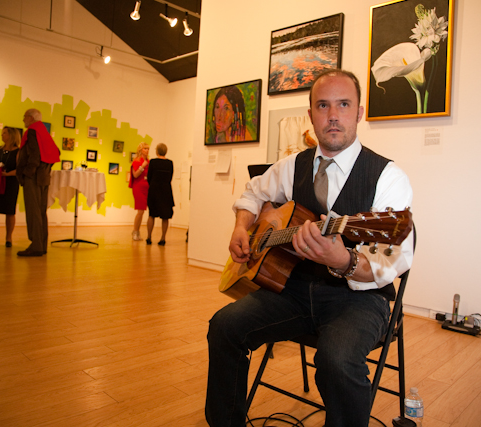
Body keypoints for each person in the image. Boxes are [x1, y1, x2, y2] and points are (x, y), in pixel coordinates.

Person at [205, 69, 414, 427]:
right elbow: (253, 193)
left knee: (337, 358)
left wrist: (343, 259)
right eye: (323, 105)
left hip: (360, 300)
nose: (333, 115)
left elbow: (390, 261)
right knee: (224, 326)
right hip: (293, 291)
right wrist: (242, 226)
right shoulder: (293, 165)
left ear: (359, 112)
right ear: (311, 115)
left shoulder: (387, 176)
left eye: (343, 104)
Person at [16, 109, 60, 257]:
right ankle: (41, 245)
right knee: (41, 212)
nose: (23, 120)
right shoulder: (44, 132)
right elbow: (56, 152)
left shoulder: (33, 131)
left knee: (33, 212)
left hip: (33, 178)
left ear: (30, 118)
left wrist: (27, 173)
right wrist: (45, 168)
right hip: (43, 177)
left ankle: (36, 246)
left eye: (24, 117)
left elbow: (34, 155)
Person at [146, 143, 174, 245]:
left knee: (151, 214)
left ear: (157, 151)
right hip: (166, 191)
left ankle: (149, 237)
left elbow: (149, 177)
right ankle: (163, 238)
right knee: (165, 216)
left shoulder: (153, 162)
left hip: (154, 190)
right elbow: (170, 177)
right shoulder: (170, 163)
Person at [130, 142, 150, 241]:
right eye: (145, 148)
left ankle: (137, 231)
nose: (147, 150)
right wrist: (143, 166)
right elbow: (135, 175)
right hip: (138, 187)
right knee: (140, 211)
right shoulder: (137, 161)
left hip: (147, 187)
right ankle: (135, 231)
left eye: (148, 148)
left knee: (142, 211)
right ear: (141, 150)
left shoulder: (149, 161)